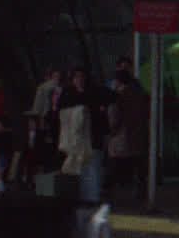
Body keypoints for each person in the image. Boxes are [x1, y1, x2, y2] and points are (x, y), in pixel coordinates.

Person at [57, 65, 114, 202]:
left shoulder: (94, 93)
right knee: (79, 168)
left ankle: (92, 197)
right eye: (77, 77)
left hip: (93, 138)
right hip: (76, 140)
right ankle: (82, 197)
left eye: (82, 77)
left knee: (93, 168)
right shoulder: (68, 94)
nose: (79, 80)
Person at [106, 62, 151, 191]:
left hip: (121, 137)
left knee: (114, 165)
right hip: (138, 135)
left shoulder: (117, 97)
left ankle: (111, 190)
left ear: (118, 82)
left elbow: (114, 117)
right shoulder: (140, 95)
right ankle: (141, 190)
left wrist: (111, 132)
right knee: (139, 165)